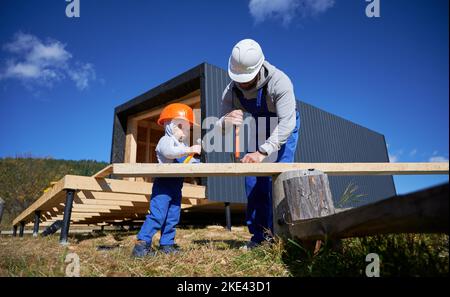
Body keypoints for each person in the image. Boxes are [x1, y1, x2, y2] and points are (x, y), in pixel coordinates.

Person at [217, 39, 300, 249]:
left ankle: (282, 236)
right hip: (259, 125)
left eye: (247, 79)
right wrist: (224, 122)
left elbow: (287, 123)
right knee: (253, 180)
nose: (242, 84)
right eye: (238, 79)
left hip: (282, 127)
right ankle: (260, 238)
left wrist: (262, 151)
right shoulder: (231, 91)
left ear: (259, 68)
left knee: (278, 179)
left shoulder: (279, 81)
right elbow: (220, 128)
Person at [132, 103, 201, 257]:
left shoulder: (181, 145)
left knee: (172, 216)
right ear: (170, 125)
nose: (185, 131)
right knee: (157, 215)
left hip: (176, 187)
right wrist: (190, 149)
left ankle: (167, 244)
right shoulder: (166, 140)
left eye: (187, 128)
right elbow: (170, 153)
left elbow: (187, 161)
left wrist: (200, 163)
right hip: (163, 186)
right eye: (181, 126)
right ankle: (141, 245)